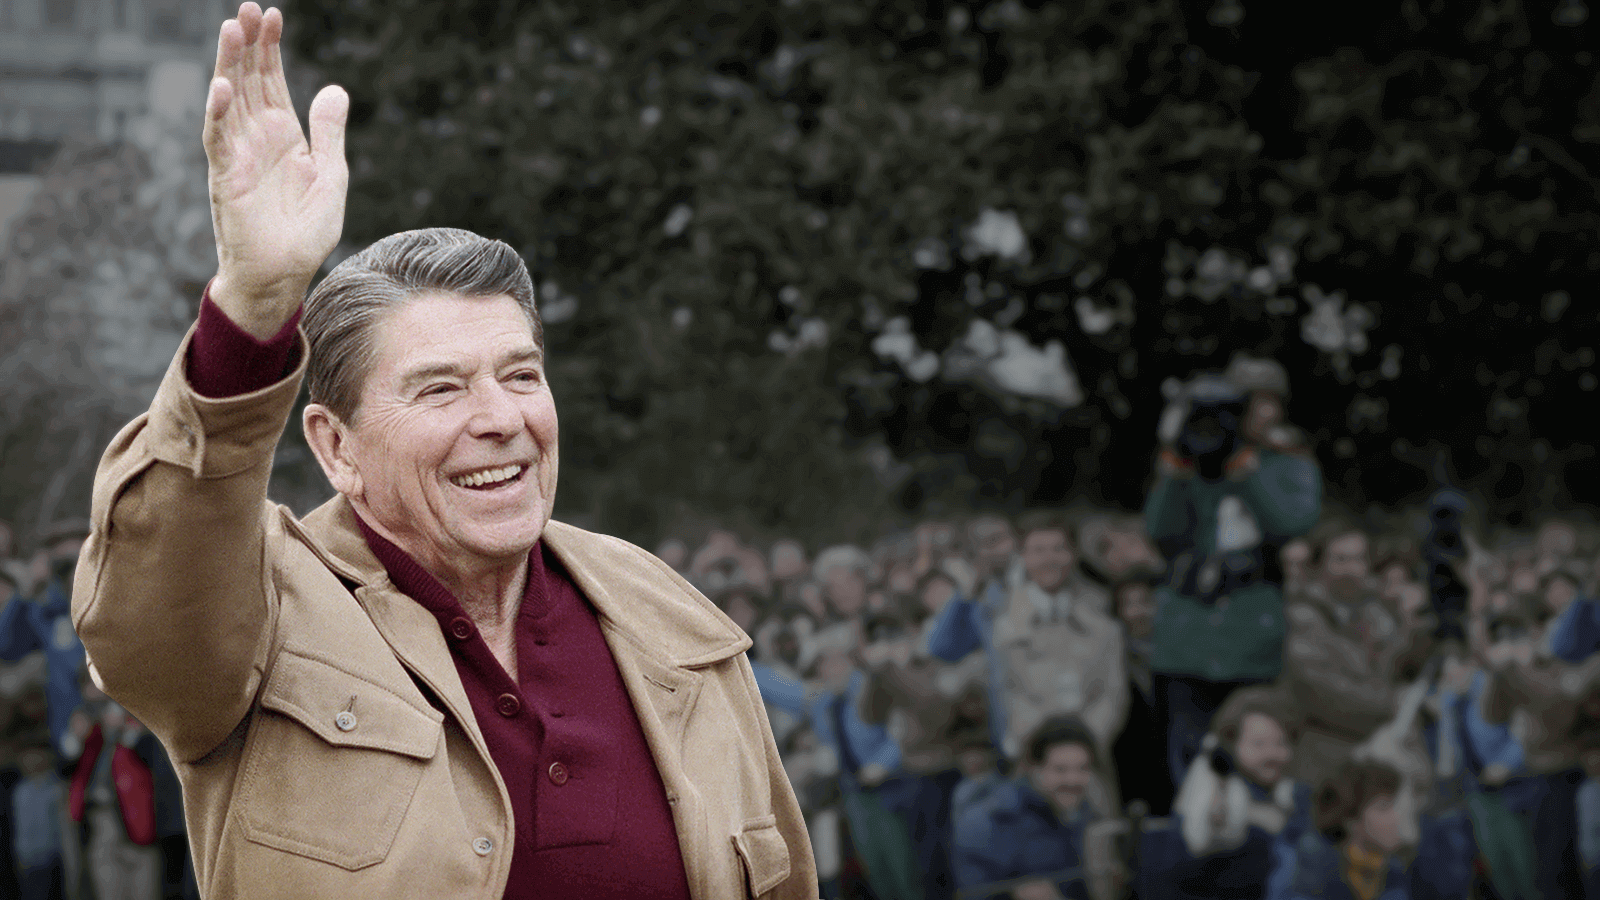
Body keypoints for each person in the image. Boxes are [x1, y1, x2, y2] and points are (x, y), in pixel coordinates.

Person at [69, 6, 814, 898]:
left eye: (521, 375)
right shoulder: (262, 618)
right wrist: (254, 304)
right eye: (441, 387)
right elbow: (149, 621)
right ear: (336, 447)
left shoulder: (669, 618)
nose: (500, 417)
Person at [1145, 372, 1321, 786]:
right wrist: (1175, 467)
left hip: (1251, 640)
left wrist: (1247, 472)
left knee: (1254, 757)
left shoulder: (1286, 461)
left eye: (1266, 402)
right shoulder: (1191, 460)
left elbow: (1292, 523)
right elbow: (1163, 534)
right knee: (1188, 767)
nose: (1260, 413)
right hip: (1187, 642)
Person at [1153, 686, 1312, 900]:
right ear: (1230, 744)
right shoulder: (1214, 786)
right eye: (1258, 744)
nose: (1272, 754)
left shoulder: (1295, 793)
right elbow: (1193, 848)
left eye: (1281, 743)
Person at [953, 716, 1103, 900]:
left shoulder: (1083, 816)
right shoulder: (990, 822)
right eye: (1060, 770)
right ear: (1034, 769)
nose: (1073, 780)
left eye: (1083, 768)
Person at [1287, 759, 1411, 900]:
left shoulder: (1394, 873)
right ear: (1350, 818)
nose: (1396, 817)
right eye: (1383, 807)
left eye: (1396, 806)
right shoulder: (1315, 865)